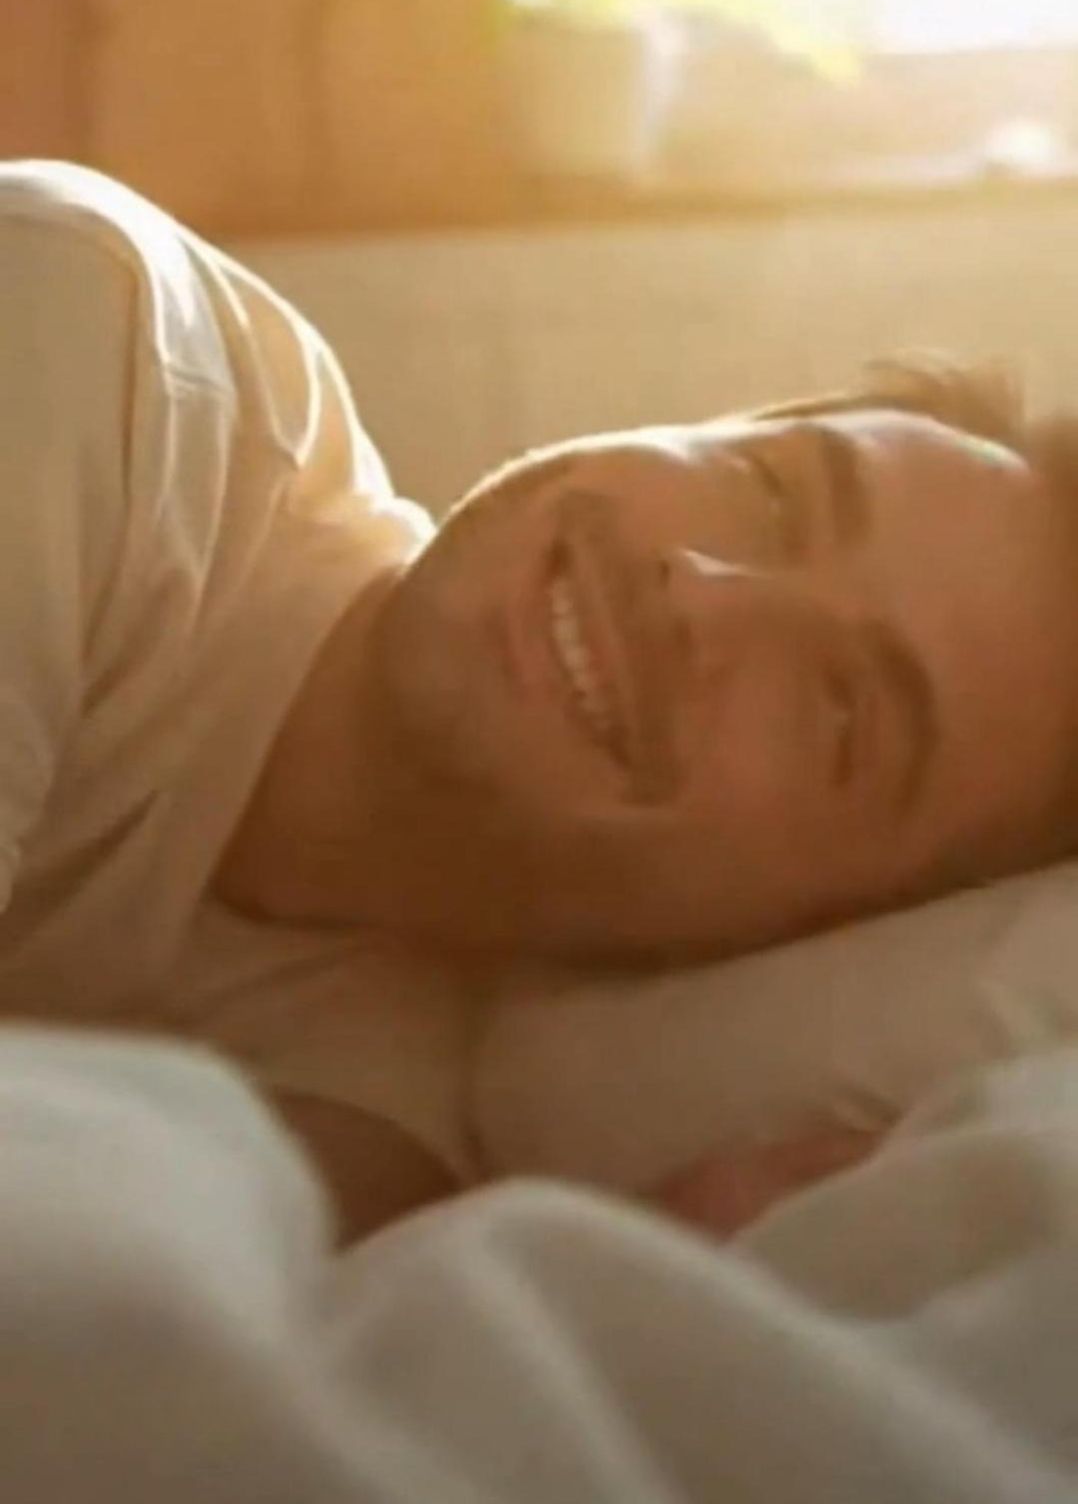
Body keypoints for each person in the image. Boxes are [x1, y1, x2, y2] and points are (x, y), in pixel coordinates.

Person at [3, 158, 1078, 1241]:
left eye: (838, 714)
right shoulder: (102, 348)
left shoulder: (397, 1122)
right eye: (770, 489)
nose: (701, 592)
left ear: (807, 942)